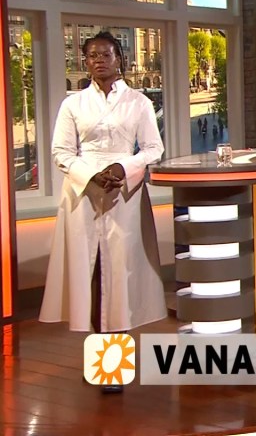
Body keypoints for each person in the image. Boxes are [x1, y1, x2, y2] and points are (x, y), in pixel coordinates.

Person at [40, 32, 166, 392]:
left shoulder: (138, 102)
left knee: (119, 277)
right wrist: (91, 175)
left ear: (119, 59)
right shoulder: (73, 104)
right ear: (85, 62)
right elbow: (61, 151)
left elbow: (153, 148)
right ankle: (100, 362)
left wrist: (122, 168)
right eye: (92, 55)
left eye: (106, 54)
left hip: (124, 196)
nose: (99, 60)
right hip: (83, 196)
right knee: (91, 277)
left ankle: (114, 368)